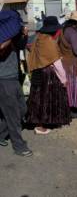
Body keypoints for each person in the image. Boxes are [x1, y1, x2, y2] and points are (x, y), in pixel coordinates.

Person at [27, 16, 70, 134]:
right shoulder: (49, 42)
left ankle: (39, 124)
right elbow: (56, 63)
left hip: (37, 72)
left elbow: (35, 54)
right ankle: (42, 126)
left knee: (38, 98)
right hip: (47, 75)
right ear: (54, 30)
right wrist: (64, 79)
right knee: (47, 99)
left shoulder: (39, 38)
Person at [0, 10, 32, 157]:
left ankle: (1, 134)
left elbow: (20, 47)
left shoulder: (9, 36)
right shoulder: (3, 37)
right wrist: (12, 33)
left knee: (22, 109)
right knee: (12, 114)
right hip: (4, 80)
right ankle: (19, 146)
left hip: (13, 78)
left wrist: (23, 35)